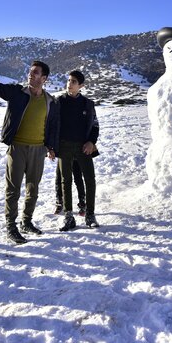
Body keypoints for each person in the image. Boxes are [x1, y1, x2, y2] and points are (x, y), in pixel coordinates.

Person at [0, 52, 59, 244]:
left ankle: (26, 222)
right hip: (17, 148)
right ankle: (11, 226)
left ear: (44, 78)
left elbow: (53, 126)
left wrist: (51, 147)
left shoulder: (50, 101)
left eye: (35, 73)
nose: (31, 75)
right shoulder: (16, 93)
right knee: (13, 189)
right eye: (30, 71)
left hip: (39, 150)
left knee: (33, 188)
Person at [57, 70, 100, 231]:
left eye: (74, 81)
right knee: (65, 181)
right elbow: (52, 125)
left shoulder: (88, 104)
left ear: (81, 86)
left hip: (84, 147)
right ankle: (69, 216)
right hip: (64, 147)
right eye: (68, 80)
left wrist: (91, 142)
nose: (70, 83)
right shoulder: (58, 102)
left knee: (90, 180)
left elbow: (95, 125)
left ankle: (90, 215)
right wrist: (52, 146)